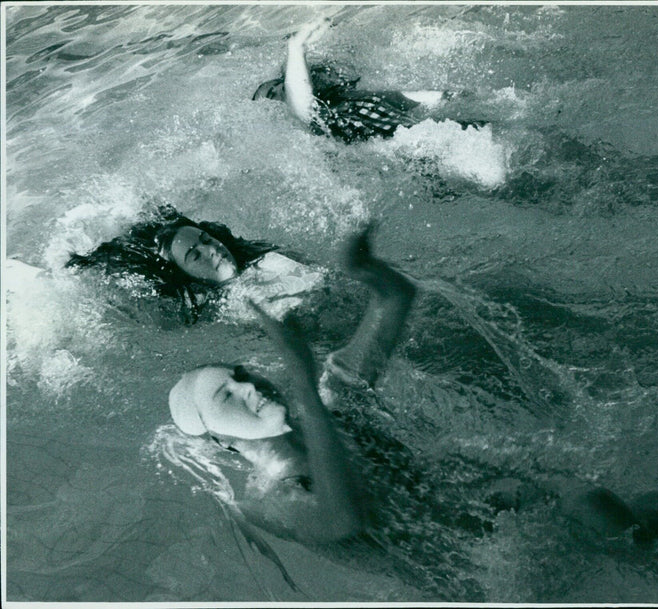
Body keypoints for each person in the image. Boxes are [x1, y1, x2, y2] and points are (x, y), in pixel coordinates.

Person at [167, 226, 416, 541]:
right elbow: (341, 521)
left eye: (242, 375)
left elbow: (397, 297)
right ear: (221, 439)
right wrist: (304, 384)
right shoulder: (269, 500)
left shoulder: (335, 404)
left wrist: (364, 269)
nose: (249, 388)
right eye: (226, 397)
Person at [66, 203, 322, 322]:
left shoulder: (266, 255)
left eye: (206, 239)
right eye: (195, 256)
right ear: (185, 275)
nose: (211, 250)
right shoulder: (220, 309)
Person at [252, 18, 476, 143]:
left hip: (426, 137)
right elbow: (300, 102)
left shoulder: (344, 100)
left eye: (274, 87)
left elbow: (402, 98)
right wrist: (295, 47)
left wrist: (449, 96)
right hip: (411, 149)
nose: (279, 93)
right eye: (271, 98)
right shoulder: (316, 126)